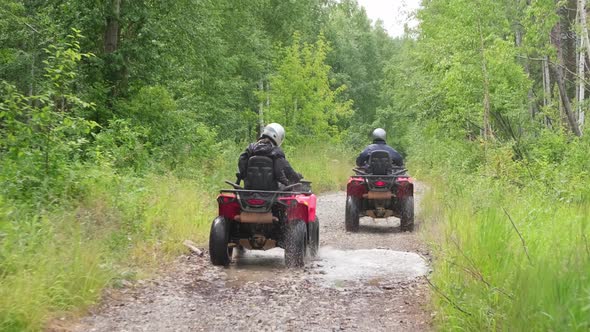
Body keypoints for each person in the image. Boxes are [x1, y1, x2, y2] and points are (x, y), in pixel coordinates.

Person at [238, 123, 302, 187]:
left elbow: (241, 162)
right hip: (271, 192)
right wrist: (297, 177)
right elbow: (286, 171)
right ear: (278, 136)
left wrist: (245, 178)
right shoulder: (277, 152)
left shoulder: (251, 148)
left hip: (249, 190)